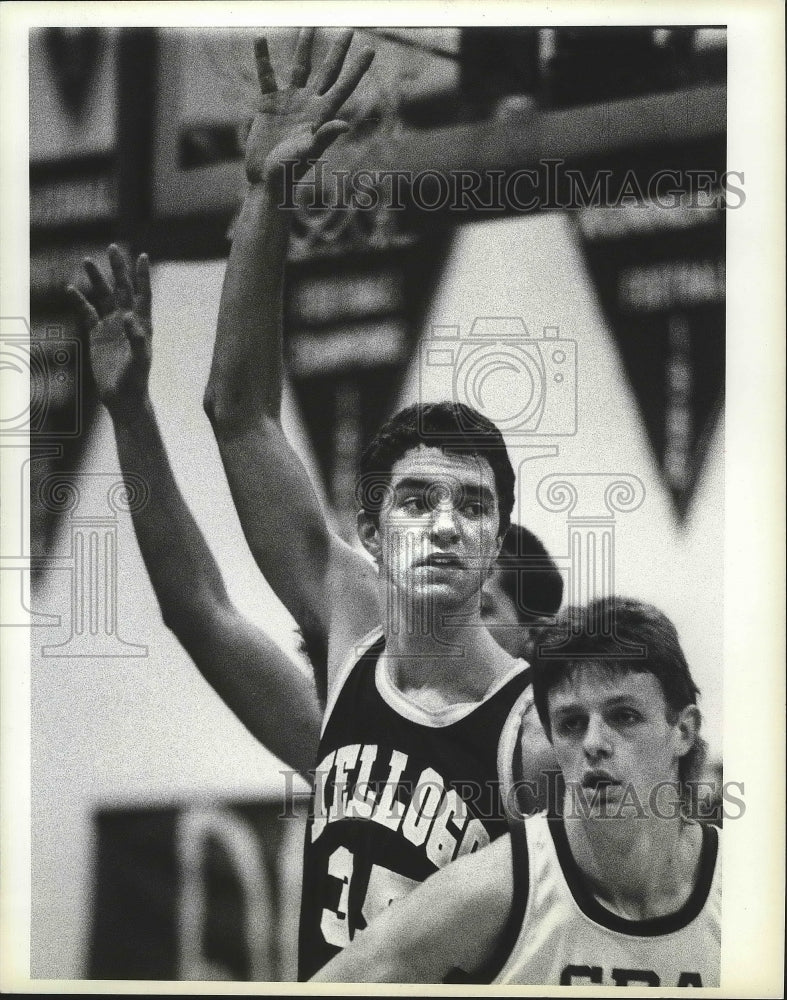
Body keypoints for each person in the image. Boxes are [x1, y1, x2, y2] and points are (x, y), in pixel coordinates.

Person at [203, 29, 553, 980]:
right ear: (371, 528)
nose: (444, 522)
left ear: (494, 545)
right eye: (416, 500)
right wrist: (267, 195)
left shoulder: (532, 733)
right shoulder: (349, 621)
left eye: (472, 506)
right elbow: (237, 415)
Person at [311, 597, 720, 988]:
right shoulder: (493, 891)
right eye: (572, 723)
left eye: (624, 716)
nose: (595, 741)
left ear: (683, 730)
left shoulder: (746, 891)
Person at [66, 245, 322, 778]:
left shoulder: (536, 751)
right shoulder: (358, 738)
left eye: (484, 606)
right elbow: (197, 608)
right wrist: (132, 415)